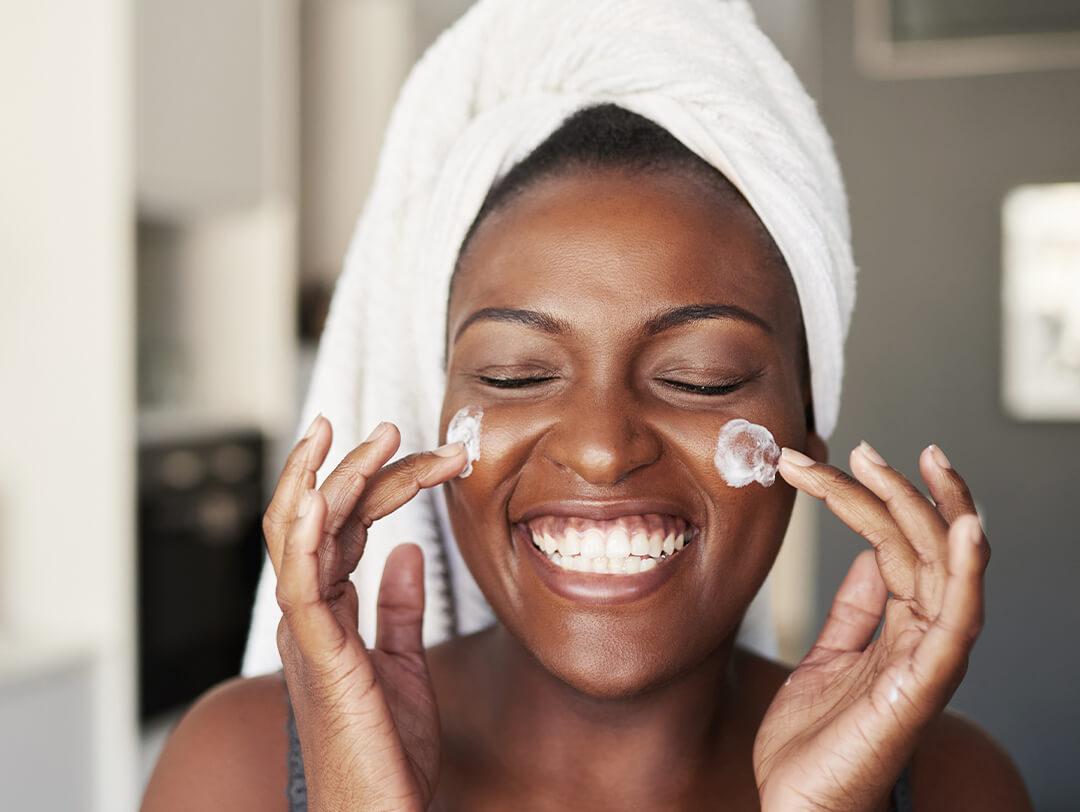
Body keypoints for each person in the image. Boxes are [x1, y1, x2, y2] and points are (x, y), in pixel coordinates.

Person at [143, 3, 1032, 810]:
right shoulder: (239, 766)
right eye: (518, 374)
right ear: (429, 424)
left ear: (806, 431)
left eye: (702, 375)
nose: (603, 449)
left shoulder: (957, 785)